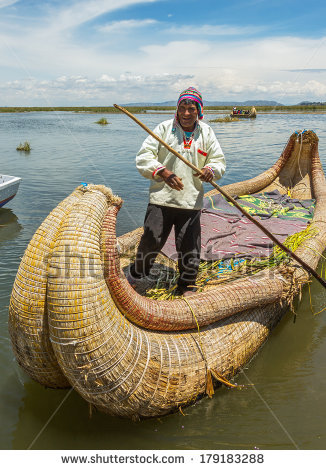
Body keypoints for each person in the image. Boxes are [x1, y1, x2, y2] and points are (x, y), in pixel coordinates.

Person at [128, 87, 226, 296]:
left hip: (190, 201)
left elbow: (218, 161)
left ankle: (187, 284)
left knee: (189, 245)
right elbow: (144, 157)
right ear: (177, 109)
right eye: (182, 108)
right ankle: (137, 275)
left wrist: (210, 170)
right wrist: (163, 173)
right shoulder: (164, 129)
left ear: (199, 111)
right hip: (162, 198)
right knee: (151, 239)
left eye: (192, 109)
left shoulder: (206, 132)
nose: (186, 113)